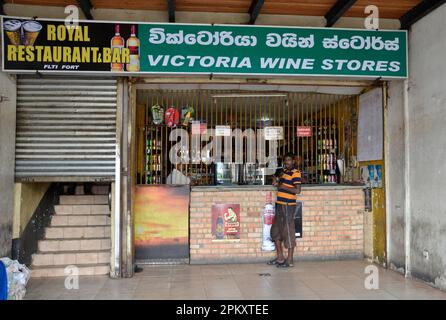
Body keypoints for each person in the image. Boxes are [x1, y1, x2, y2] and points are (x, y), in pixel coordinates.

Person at [267, 152, 302, 268]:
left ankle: (290, 260)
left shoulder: (296, 173)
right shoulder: (285, 172)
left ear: (293, 161)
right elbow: (281, 185)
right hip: (280, 204)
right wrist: (276, 182)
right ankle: (280, 258)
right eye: (285, 160)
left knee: (288, 231)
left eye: (289, 160)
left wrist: (282, 186)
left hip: (288, 205)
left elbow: (297, 190)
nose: (287, 162)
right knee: (275, 232)